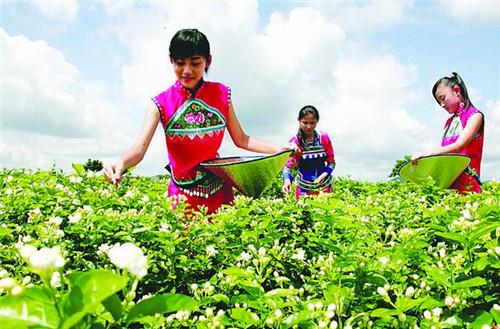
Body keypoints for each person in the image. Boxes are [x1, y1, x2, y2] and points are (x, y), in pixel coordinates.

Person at [104, 28, 289, 214]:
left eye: (195, 63)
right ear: (171, 60)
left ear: (208, 61)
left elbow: (241, 139)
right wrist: (120, 163)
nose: (187, 70)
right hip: (181, 199)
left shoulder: (222, 94)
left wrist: (278, 150)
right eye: (179, 63)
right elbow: (139, 149)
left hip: (220, 194)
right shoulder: (160, 104)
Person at [411, 72, 484, 193]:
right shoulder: (449, 123)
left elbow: (459, 145)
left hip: (468, 187)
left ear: (456, 90)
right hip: (448, 186)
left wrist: (426, 154)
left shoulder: (475, 116)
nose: (442, 105)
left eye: (442, 98)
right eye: (439, 102)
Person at [282, 105, 336, 199]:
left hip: (324, 186)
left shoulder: (323, 138)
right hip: (304, 188)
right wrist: (287, 181)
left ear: (317, 122)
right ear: (299, 120)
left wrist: (323, 176)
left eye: (312, 123)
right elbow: (287, 166)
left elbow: (331, 163)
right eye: (305, 122)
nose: (308, 126)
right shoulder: (295, 143)